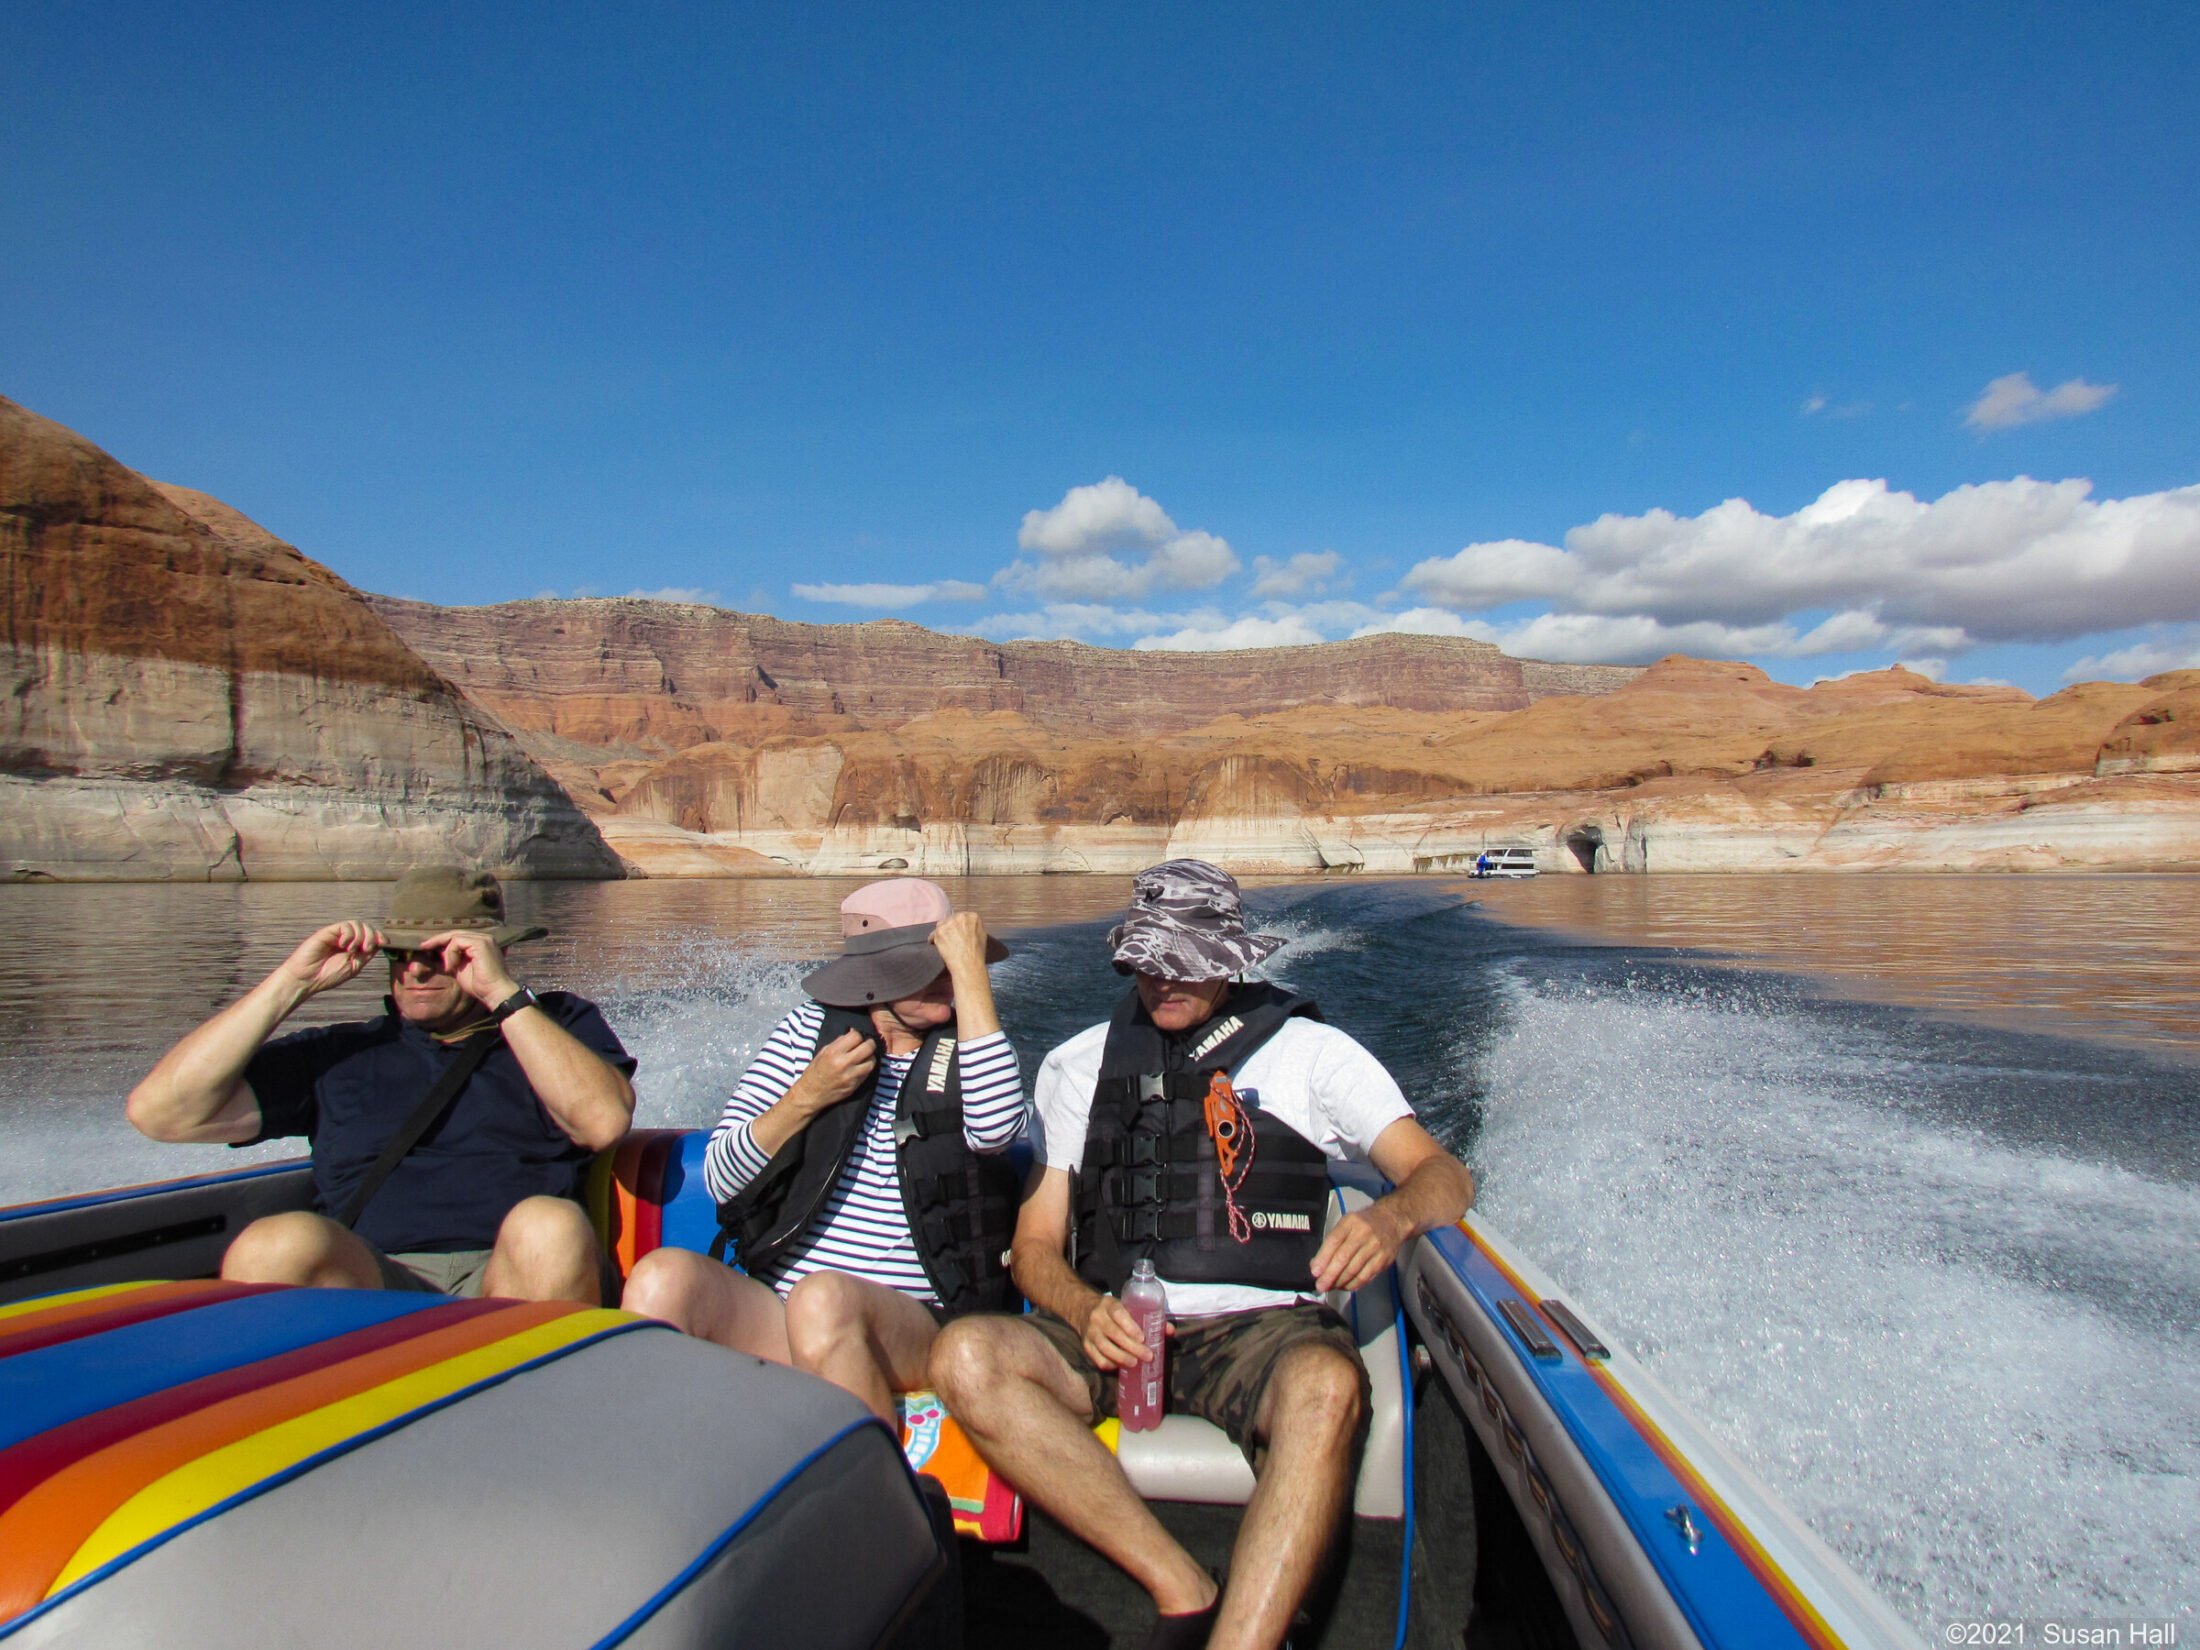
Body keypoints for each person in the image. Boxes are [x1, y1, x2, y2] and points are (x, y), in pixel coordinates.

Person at [928, 860, 1474, 1650]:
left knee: (1326, 1386)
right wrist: (1083, 1309)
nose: (1162, 980)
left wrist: (1390, 1220)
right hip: (1117, 1329)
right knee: (965, 1356)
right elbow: (1034, 1247)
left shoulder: (1315, 1056)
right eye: (1147, 962)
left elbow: (1443, 1177)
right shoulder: (1078, 1066)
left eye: (1183, 962)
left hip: (1263, 1334)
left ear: (1231, 959)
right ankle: (1179, 1583)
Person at [126, 866, 636, 1302]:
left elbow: (602, 1122)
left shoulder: (555, 1025)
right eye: (400, 953)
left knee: (548, 1226)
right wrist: (292, 983)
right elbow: (161, 1114)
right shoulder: (338, 1053)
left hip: (514, 1278)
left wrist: (503, 994)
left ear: (490, 952)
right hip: (375, 1283)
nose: (415, 970)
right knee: (274, 1243)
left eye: (439, 954)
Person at [621, 878, 1024, 1421]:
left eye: (951, 962)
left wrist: (973, 976)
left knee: (823, 1301)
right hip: (784, 1311)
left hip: (920, 1323)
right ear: (873, 976)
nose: (945, 979)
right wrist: (806, 1097)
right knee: (660, 1280)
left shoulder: (975, 1039)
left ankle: (871, 1470)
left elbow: (997, 1129)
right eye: (927, 967)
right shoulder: (806, 1032)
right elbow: (720, 1179)